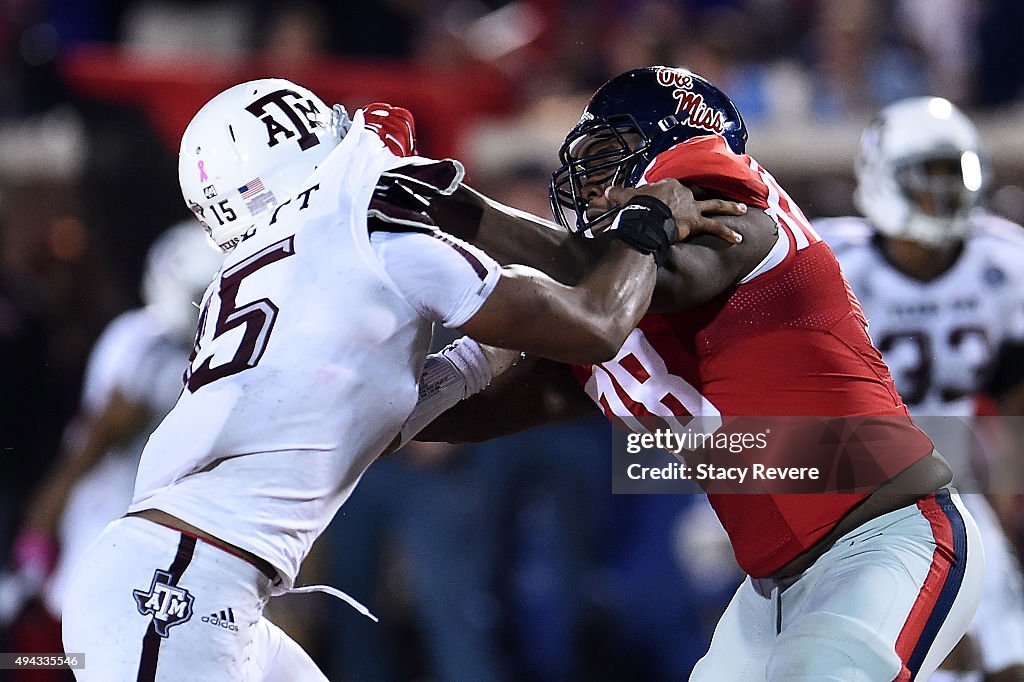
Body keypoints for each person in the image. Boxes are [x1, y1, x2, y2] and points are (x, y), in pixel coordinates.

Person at [59, 78, 742, 681]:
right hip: (178, 587)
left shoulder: (249, 281)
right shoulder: (382, 246)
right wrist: (646, 225)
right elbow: (594, 323)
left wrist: (485, 356)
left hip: (182, 578)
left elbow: (369, 424)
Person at [413, 66, 985, 680]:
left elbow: (595, 268)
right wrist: (365, 402)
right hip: (773, 589)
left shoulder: (741, 215)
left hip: (889, 536)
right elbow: (497, 407)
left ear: (676, 149)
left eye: (609, 162)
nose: (593, 190)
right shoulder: (620, 291)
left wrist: (447, 207)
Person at [816, 96, 1024, 682]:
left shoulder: (1005, 260)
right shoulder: (834, 260)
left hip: (952, 470)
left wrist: (1011, 492)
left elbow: (1016, 395)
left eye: (950, 174)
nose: (942, 193)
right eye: (925, 176)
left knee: (1006, 648)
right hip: (844, 471)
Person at [4, 223, 220, 652]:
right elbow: (96, 437)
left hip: (155, 543)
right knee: (54, 659)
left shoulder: (155, 340)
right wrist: (43, 522)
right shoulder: (140, 339)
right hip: (108, 532)